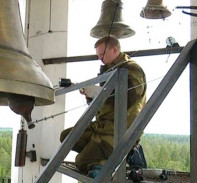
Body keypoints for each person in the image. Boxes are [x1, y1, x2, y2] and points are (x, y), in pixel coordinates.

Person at [60, 35, 147, 176]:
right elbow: (106, 102)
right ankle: (104, 158)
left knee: (81, 161)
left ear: (114, 50)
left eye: (102, 54)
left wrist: (98, 92)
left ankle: (118, 158)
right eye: (98, 55)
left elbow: (129, 97)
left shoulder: (132, 69)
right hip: (101, 126)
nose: (100, 58)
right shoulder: (110, 70)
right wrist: (92, 96)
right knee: (67, 137)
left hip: (118, 130)